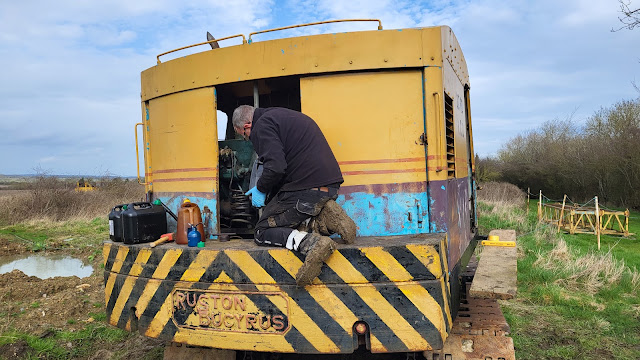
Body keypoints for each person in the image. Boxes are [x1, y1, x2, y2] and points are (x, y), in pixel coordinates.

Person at [232, 105, 356, 286]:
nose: (249, 139)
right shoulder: (279, 115)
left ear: (247, 125)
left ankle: (312, 244)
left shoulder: (262, 126)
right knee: (290, 220)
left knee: (262, 231)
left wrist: (260, 188)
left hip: (306, 187)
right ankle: (324, 219)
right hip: (327, 185)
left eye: (244, 135)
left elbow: (275, 167)